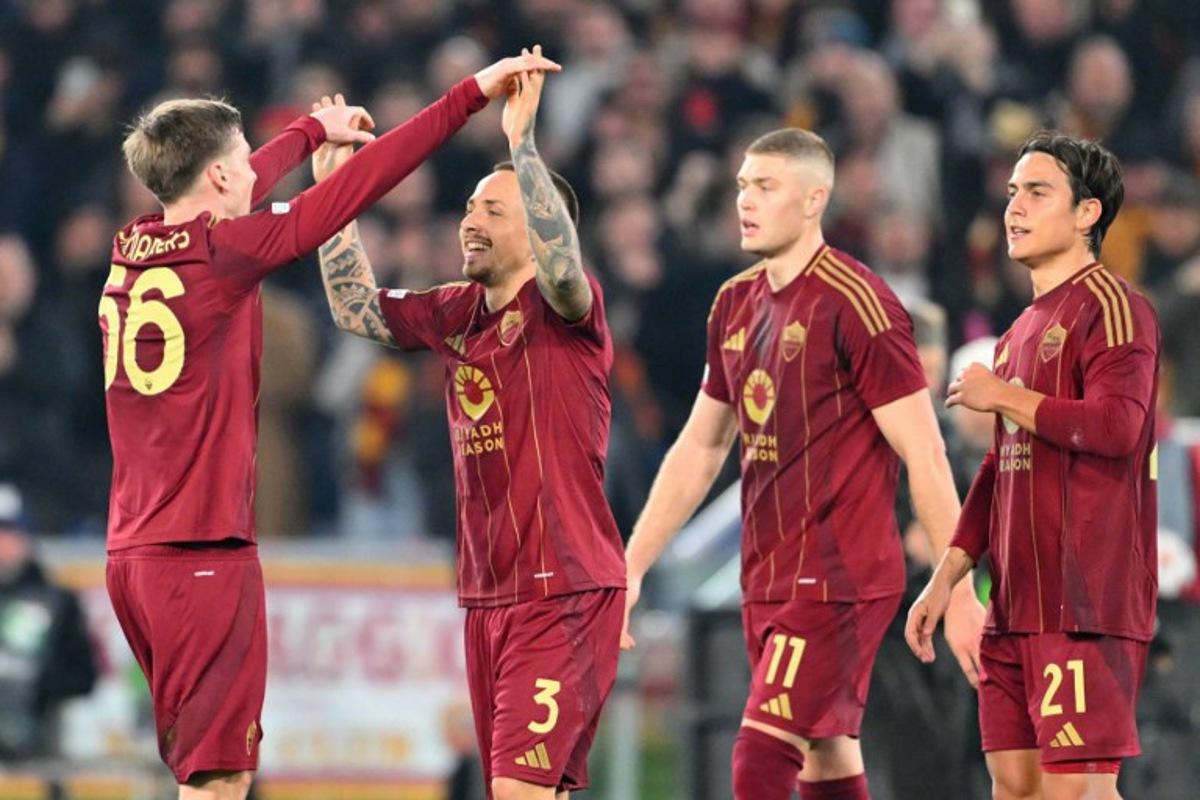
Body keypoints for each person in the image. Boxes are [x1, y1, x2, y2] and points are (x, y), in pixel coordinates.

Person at [101, 50, 559, 800]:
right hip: (198, 555)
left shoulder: (132, 248)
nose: (254, 169)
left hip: (134, 553)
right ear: (217, 177)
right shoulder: (226, 255)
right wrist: (470, 94)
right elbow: (363, 184)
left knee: (205, 772)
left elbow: (235, 190)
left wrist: (313, 130)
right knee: (218, 783)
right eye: (244, 160)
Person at [622, 127, 985, 800]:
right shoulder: (734, 303)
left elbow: (926, 453)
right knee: (827, 757)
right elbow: (701, 447)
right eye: (741, 187)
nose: (745, 201)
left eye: (766, 187)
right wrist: (633, 564)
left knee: (759, 759)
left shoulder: (861, 304)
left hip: (839, 576)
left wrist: (957, 590)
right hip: (767, 574)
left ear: (814, 200)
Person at [311, 47, 624, 800]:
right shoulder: (453, 313)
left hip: (564, 588)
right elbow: (355, 309)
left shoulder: (565, 308)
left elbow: (562, 268)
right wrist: (333, 199)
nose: (470, 220)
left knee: (516, 792)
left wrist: (521, 146)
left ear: (540, 227)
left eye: (493, 209)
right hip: (490, 593)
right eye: (469, 208)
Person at [906, 131, 1159, 800]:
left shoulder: (1115, 307)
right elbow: (1000, 469)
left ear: (1087, 213)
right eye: (1013, 191)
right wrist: (948, 578)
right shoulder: (1020, 329)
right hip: (1014, 604)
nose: (1014, 206)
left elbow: (1119, 426)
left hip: (1084, 601)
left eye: (1037, 191)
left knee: (1076, 793)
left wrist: (1003, 395)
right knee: (1015, 788)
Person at [0, 482, 97, 761]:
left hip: (35, 749)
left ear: (26, 537)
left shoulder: (57, 600)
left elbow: (84, 676)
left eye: (9, 532)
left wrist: (34, 682)